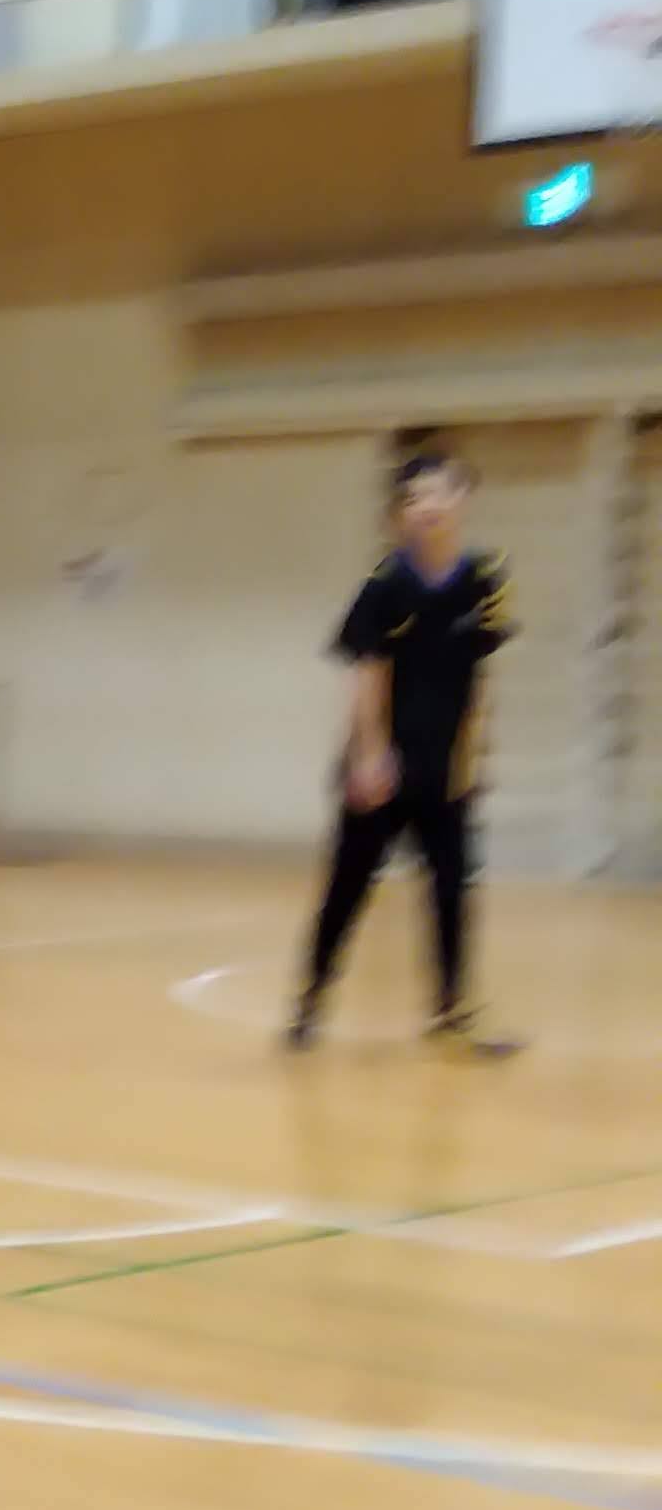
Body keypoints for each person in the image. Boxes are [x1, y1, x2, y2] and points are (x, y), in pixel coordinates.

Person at [290, 436, 519, 1056]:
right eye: (413, 498)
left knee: (452, 889)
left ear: (462, 498)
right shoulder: (385, 586)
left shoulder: (486, 581)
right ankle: (309, 1001)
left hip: (445, 771)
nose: (426, 507)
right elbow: (368, 672)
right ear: (400, 513)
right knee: (349, 887)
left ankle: (451, 1014)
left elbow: (481, 673)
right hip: (382, 769)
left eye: (438, 493)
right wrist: (370, 757)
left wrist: (476, 754)